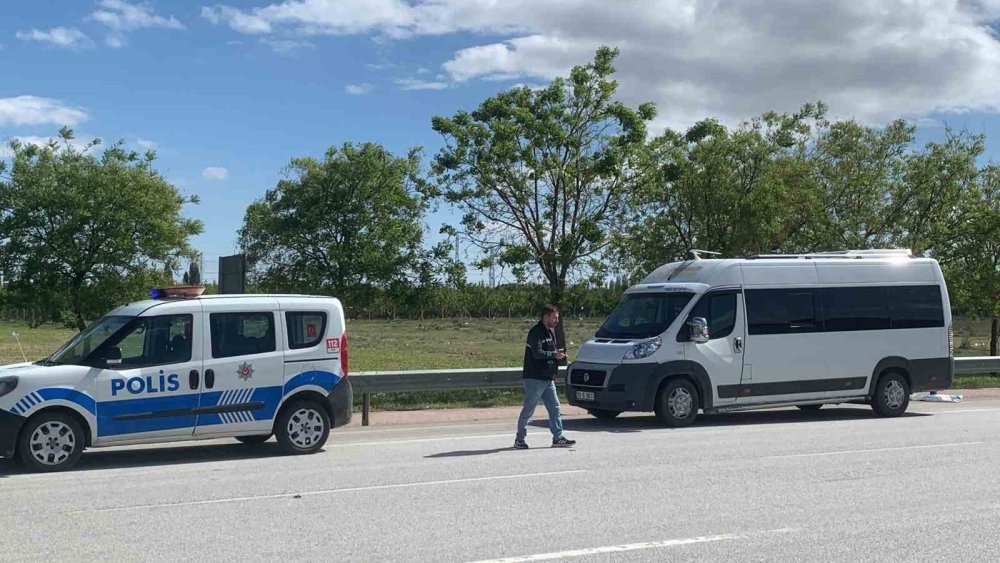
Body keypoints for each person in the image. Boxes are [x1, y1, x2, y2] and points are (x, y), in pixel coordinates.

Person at [514, 304, 576, 449]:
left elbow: (550, 352)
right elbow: (537, 353)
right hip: (535, 377)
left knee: (555, 408)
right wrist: (554, 354)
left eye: (557, 318)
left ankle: (558, 437)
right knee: (528, 410)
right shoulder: (535, 332)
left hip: (548, 378)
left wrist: (558, 355)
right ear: (546, 317)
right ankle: (519, 439)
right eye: (554, 317)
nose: (556, 320)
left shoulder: (551, 332)